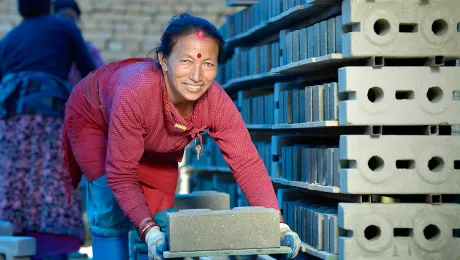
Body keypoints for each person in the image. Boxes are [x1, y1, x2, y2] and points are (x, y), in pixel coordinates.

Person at [61, 13, 301, 260]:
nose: (197, 76)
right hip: (94, 116)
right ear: (163, 60)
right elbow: (121, 175)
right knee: (110, 205)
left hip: (151, 136)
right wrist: (147, 229)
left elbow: (247, 164)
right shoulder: (136, 93)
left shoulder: (216, 102)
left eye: (208, 63)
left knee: (160, 210)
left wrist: (277, 224)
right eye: (186, 61)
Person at [0, 0, 96, 259]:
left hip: (9, 120)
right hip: (48, 115)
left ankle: (12, 244)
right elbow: (90, 72)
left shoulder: (9, 39)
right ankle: (53, 248)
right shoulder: (63, 27)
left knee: (15, 183)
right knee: (52, 179)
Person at [52, 0, 105, 86]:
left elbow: (101, 79)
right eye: (63, 20)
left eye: (71, 19)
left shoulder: (89, 49)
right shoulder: (48, 51)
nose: (68, 25)